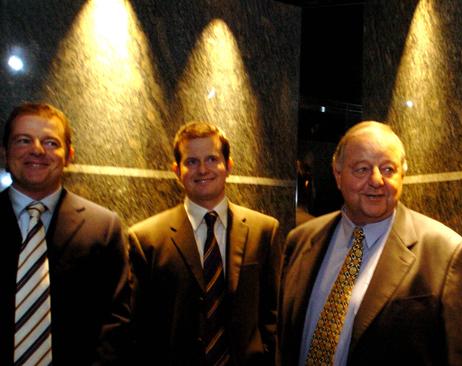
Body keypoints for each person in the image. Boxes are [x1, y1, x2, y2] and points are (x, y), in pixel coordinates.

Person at [279, 121, 462, 365]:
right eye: (362, 169)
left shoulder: (446, 254)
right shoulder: (301, 241)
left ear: (402, 176)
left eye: (388, 169)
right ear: (338, 174)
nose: (376, 180)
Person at [128, 121, 282, 365]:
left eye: (212, 159)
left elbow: (273, 315)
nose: (202, 169)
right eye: (191, 161)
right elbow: (139, 327)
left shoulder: (264, 231)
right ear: (177, 170)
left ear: (228, 166)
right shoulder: (146, 239)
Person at [0, 102, 131, 365]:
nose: (37, 150)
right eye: (24, 140)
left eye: (50, 143)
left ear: (69, 155)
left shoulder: (104, 227)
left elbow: (117, 321)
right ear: (4, 153)